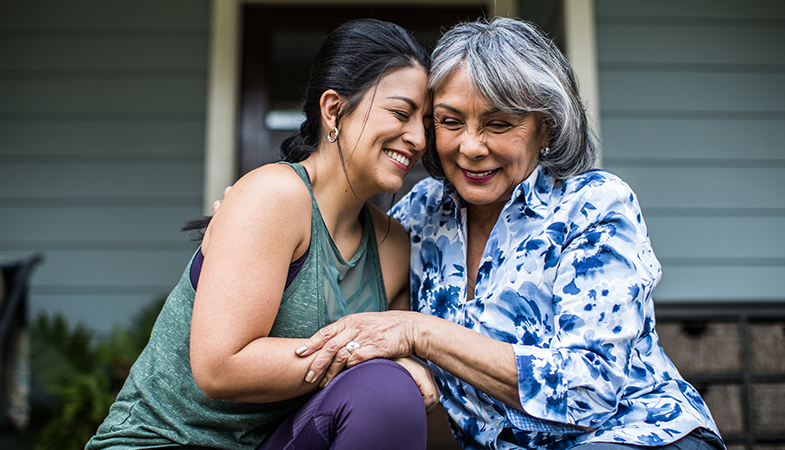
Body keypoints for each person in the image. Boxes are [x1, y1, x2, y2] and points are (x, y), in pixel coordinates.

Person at [293, 17, 726, 450]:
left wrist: (419, 333)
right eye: (449, 121)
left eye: (499, 124)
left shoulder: (593, 205)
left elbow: (587, 391)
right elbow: (335, 275)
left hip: (639, 436)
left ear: (546, 128)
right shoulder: (421, 213)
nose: (471, 147)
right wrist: (264, 216)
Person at [85, 19, 437, 450]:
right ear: (334, 111)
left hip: (275, 441)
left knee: (387, 392)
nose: (419, 138)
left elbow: (390, 379)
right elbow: (219, 367)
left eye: (427, 120)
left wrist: (398, 364)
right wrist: (369, 357)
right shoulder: (275, 196)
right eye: (401, 113)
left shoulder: (394, 246)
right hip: (165, 441)